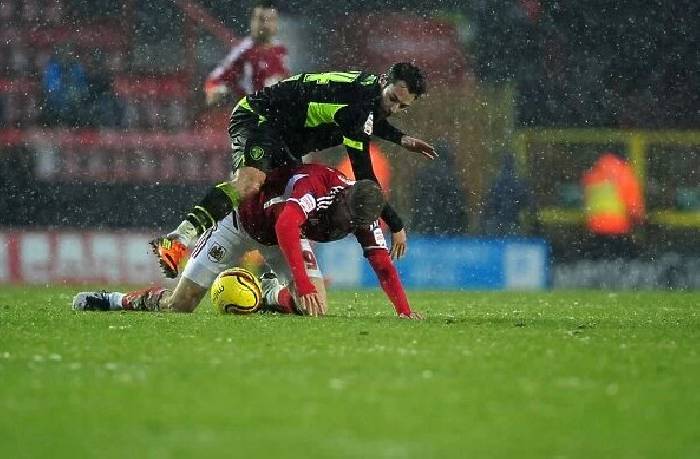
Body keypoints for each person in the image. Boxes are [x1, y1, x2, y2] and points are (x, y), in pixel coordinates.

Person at [152, 63, 436, 278]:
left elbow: (370, 117)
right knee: (251, 183)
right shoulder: (359, 108)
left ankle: (268, 282)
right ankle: (179, 239)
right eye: (393, 99)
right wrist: (396, 225)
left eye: (403, 106)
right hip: (260, 117)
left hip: (285, 136)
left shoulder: (369, 89)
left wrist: (401, 139)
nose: (395, 108)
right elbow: (365, 180)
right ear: (385, 82)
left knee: (284, 199)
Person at [74, 164, 422, 319]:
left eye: (357, 225)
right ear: (344, 199)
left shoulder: (362, 217)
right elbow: (287, 225)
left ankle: (270, 293)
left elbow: (382, 265)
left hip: (284, 238)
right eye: (349, 219)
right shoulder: (317, 187)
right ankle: (115, 300)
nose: (350, 227)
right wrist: (301, 282)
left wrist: (404, 311)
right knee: (180, 305)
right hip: (240, 223)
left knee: (314, 309)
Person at [204, 0, 289, 107]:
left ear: (276, 22)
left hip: (275, 116)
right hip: (252, 116)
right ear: (253, 21)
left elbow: (284, 79)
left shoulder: (281, 50)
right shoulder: (244, 51)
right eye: (261, 20)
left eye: (270, 20)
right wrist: (217, 91)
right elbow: (215, 80)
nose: (266, 25)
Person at [581, 152, 645, 259]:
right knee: (619, 264)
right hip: (619, 229)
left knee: (599, 263)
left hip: (595, 229)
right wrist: (639, 221)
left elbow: (586, 200)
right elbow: (633, 203)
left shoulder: (593, 174)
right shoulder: (623, 173)